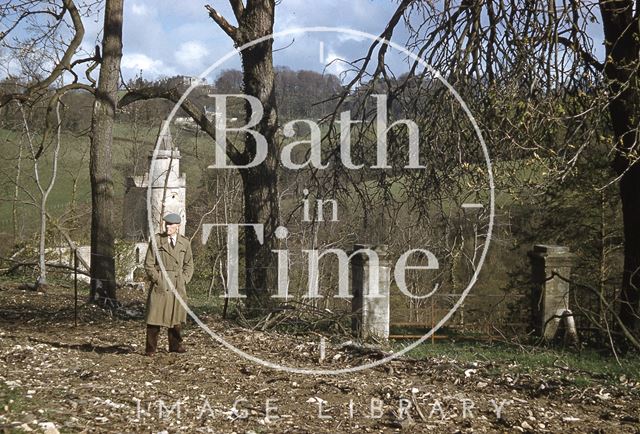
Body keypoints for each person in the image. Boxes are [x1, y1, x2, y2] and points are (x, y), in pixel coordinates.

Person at [144, 213, 194, 356]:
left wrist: (184, 279)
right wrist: (157, 279)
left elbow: (189, 264)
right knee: (154, 317)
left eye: (171, 225)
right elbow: (149, 264)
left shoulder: (185, 242)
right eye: (166, 224)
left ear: (177, 226)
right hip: (161, 282)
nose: (168, 227)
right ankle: (150, 349)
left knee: (176, 317)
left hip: (177, 283)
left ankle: (175, 346)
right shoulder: (157, 241)